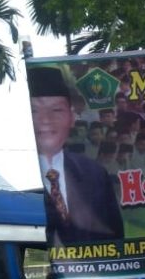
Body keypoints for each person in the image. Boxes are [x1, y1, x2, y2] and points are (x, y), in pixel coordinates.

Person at [29, 66, 125, 245]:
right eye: (34, 110)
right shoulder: (13, 178)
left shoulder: (95, 174)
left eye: (56, 110)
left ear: (72, 117)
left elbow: (115, 239)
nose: (45, 120)